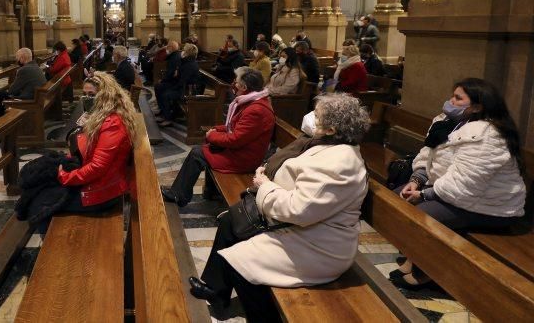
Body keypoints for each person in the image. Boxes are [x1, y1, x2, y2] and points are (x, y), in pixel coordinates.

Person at [188, 94, 371, 319]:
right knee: (230, 221)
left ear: (332, 129)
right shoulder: (330, 146)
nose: (312, 118)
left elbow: (298, 210)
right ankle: (216, 291)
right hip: (306, 230)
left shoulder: (340, 163)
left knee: (239, 264)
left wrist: (265, 186)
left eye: (318, 116)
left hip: (319, 247)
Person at [393, 79, 527, 288]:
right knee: (398, 196)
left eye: (458, 98)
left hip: (490, 206)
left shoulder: (487, 135)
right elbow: (428, 154)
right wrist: (417, 180)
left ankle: (430, 272)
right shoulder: (448, 122)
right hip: (455, 193)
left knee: (422, 214)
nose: (450, 101)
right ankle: (414, 257)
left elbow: (466, 183)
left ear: (477, 106)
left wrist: (425, 195)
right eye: (452, 95)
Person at [162, 67, 275, 207]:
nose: (233, 84)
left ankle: (179, 195)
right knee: (206, 150)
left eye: (236, 82)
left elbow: (236, 139)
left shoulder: (256, 110)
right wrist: (216, 129)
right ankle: (209, 191)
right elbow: (234, 126)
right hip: (240, 151)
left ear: (244, 87)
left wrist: (212, 135)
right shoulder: (252, 101)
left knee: (198, 153)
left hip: (243, 158)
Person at [56, 73, 141, 213]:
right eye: (84, 94)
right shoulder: (100, 115)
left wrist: (65, 177)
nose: (86, 98)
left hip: (103, 191)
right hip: (99, 181)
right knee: (42, 191)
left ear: (105, 95)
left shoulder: (113, 123)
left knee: (43, 204)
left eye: (91, 94)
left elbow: (97, 167)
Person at [0, 47, 46, 130]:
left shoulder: (23, 70)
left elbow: (12, 91)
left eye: (17, 58)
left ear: (22, 58)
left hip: (28, 100)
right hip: (35, 97)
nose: (17, 60)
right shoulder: (35, 66)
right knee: (0, 96)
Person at [155, 43, 200, 127]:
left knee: (166, 95)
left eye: (184, 50)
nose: (182, 52)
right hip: (183, 87)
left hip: (186, 91)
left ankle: (168, 119)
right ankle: (166, 114)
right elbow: (179, 76)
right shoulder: (187, 62)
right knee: (162, 89)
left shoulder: (190, 65)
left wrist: (173, 87)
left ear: (188, 53)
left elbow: (183, 81)